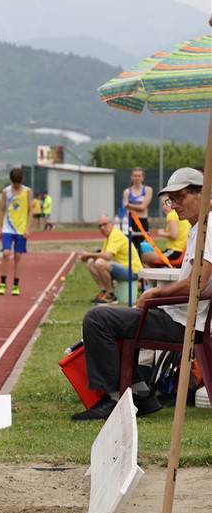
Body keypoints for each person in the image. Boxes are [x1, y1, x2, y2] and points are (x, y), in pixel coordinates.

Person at [73, 167, 210, 421]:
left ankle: (115, 398)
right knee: (111, 319)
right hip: (183, 317)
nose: (174, 205)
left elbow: (198, 283)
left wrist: (156, 294)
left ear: (200, 193)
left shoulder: (208, 228)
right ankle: (141, 393)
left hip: (183, 323)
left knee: (97, 318)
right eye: (171, 200)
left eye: (179, 197)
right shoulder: (199, 227)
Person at [79, 214, 140, 305]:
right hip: (123, 269)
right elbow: (102, 256)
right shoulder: (109, 237)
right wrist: (87, 257)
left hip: (132, 271)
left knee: (99, 263)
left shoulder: (115, 234)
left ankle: (110, 294)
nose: (102, 228)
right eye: (100, 226)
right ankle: (104, 292)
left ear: (111, 224)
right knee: (91, 263)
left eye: (105, 224)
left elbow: (107, 256)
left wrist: (89, 254)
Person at [0, 167, 30, 296]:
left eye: (18, 183)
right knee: (6, 253)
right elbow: (2, 209)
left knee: (18, 256)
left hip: (21, 229)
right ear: (11, 180)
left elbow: (31, 211)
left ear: (22, 180)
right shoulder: (6, 191)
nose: (16, 186)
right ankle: (3, 283)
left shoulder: (27, 191)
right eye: (15, 184)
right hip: (8, 228)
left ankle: (15, 285)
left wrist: (28, 228)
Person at [121, 167, 153, 249]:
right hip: (131, 220)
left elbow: (143, 207)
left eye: (139, 176)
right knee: (131, 246)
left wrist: (129, 205)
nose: (137, 178)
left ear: (142, 177)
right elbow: (125, 205)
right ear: (131, 177)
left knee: (143, 245)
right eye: (135, 176)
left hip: (143, 220)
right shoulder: (127, 191)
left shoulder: (148, 190)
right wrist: (130, 206)